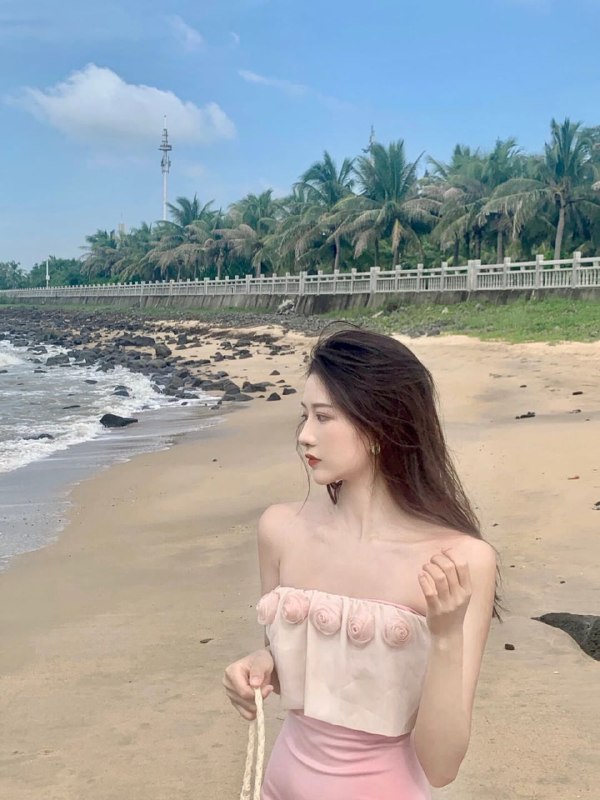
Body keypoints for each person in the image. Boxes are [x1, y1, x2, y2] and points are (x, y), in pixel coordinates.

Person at [223, 323, 503, 800]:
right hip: (279, 786)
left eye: (323, 417)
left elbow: (441, 767)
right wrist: (263, 662)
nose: (304, 436)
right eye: (304, 416)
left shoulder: (460, 560)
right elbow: (307, 669)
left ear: (379, 428)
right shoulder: (279, 530)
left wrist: (445, 637)